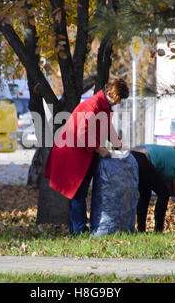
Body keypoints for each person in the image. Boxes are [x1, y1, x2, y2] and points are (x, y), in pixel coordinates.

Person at [44, 77, 129, 234]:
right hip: (73, 154)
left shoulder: (103, 107)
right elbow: (82, 133)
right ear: (114, 94)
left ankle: (78, 228)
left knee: (80, 193)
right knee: (77, 193)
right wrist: (99, 149)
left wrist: (119, 145)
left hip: (84, 154)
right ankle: (79, 231)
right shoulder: (92, 106)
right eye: (120, 99)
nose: (119, 102)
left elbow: (107, 127)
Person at [130, 144, 175, 233]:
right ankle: (158, 230)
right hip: (144, 157)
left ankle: (141, 230)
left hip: (135, 154)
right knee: (163, 194)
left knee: (145, 194)